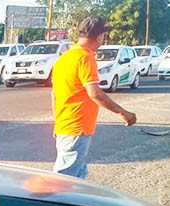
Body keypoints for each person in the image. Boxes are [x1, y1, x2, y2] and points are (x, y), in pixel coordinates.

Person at [50, 17, 136, 178]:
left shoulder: (64, 58)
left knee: (78, 174)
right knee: (65, 179)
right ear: (98, 37)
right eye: (103, 35)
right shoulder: (85, 57)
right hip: (77, 127)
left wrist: (57, 122)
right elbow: (95, 93)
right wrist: (122, 112)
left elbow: (54, 94)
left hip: (65, 126)